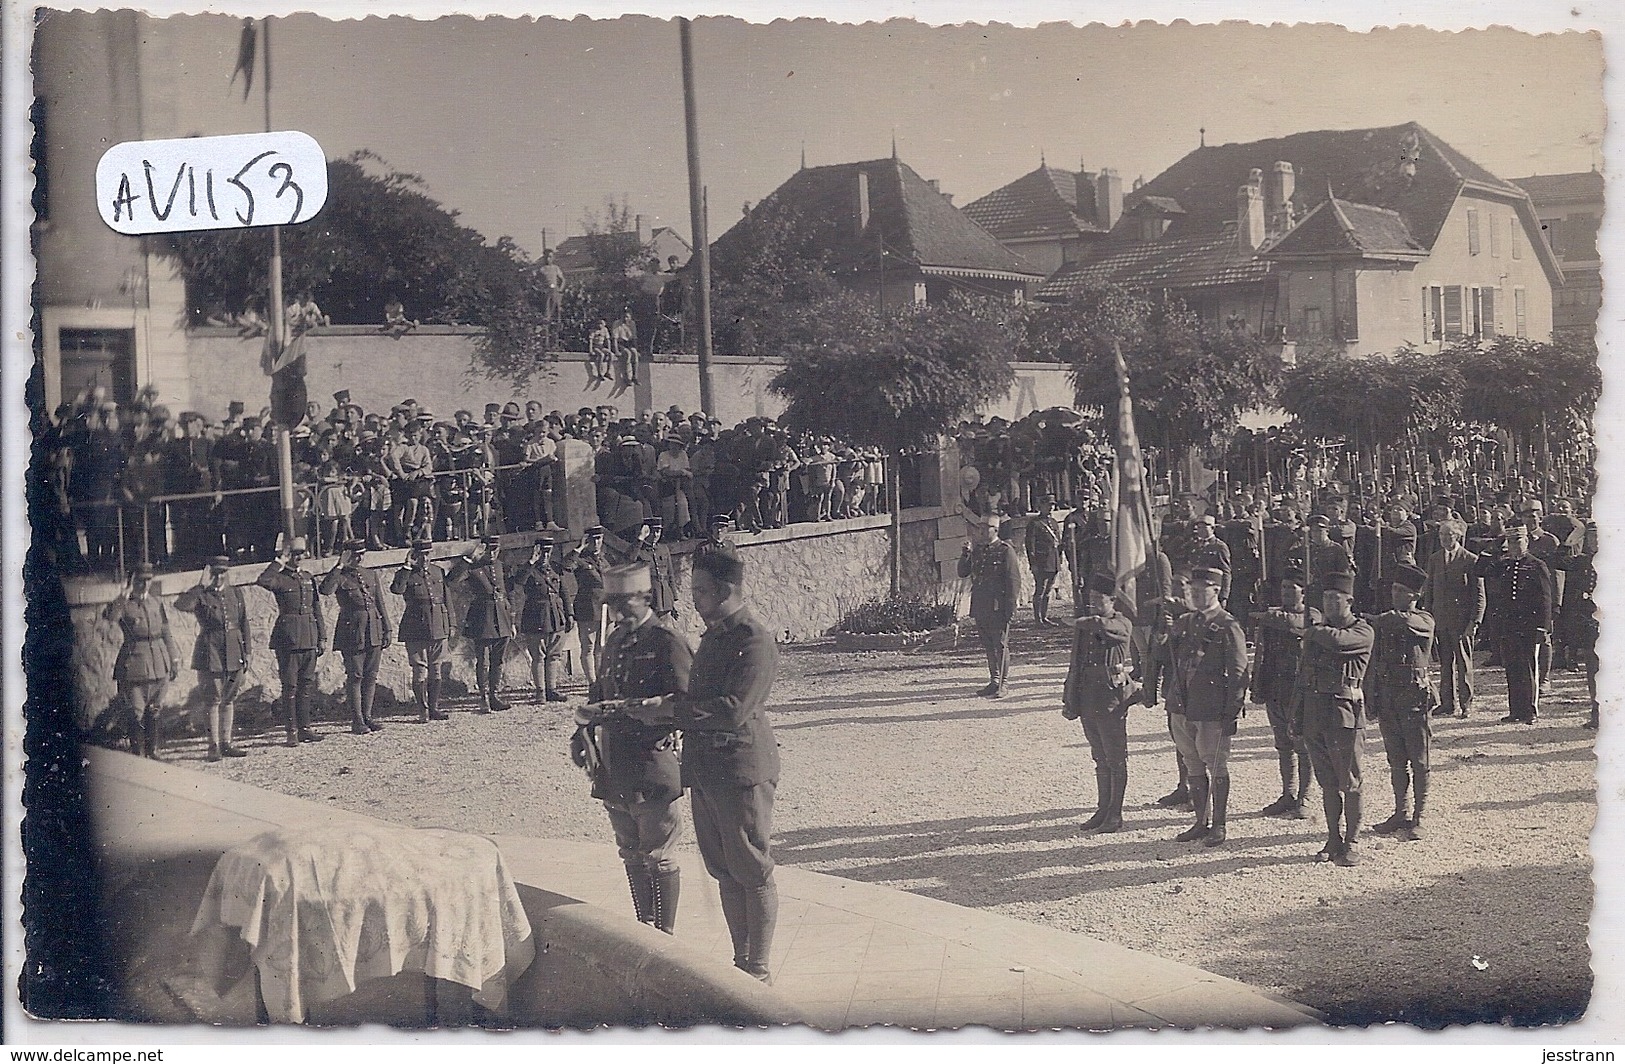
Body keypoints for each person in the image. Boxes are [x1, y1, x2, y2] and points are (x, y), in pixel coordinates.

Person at [614, 549, 780, 982]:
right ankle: (740, 963)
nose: (695, 599)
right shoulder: (713, 637)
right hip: (706, 768)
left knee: (751, 867)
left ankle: (758, 969)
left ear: (726, 590)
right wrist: (664, 706)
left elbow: (733, 709)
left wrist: (672, 710)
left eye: (701, 591)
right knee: (723, 868)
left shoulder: (753, 639)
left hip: (741, 769)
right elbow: (694, 698)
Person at [573, 563, 694, 933]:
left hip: (651, 761)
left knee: (658, 855)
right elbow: (598, 696)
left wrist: (655, 716)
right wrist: (580, 734)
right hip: (614, 765)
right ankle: (644, 926)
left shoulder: (666, 641)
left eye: (624, 601)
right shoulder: (613, 643)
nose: (616, 610)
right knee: (630, 853)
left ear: (645, 598)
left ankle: (665, 934)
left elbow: (689, 702)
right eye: (611, 601)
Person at [1295, 569, 1375, 866]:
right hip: (1315, 712)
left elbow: (1340, 643)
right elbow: (1303, 675)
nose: (1329, 603)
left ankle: (1352, 841)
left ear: (1350, 600)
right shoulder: (1318, 630)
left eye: (1335, 598)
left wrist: (1313, 631)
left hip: (1345, 714)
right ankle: (1333, 837)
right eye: (1326, 598)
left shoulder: (1362, 631)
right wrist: (1297, 715)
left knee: (1350, 781)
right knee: (1327, 782)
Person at [1165, 566, 1248, 846]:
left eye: (1202, 591)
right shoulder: (1185, 621)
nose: (1197, 596)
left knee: (1216, 764)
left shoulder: (1228, 625)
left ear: (1216, 591)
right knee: (1191, 762)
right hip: (1183, 703)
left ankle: (1219, 825)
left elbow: (1238, 672)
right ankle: (1200, 821)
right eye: (1192, 591)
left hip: (1211, 708)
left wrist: (1232, 710)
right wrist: (1165, 632)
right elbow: (1166, 655)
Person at [1367, 563, 1437, 842]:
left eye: (1401, 591)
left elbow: (1406, 623)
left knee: (1419, 760)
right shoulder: (1386, 620)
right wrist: (1371, 695)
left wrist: (1377, 619)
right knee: (1396, 760)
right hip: (1388, 695)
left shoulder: (1424, 619)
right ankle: (1401, 812)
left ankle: (1419, 816)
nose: (1394, 594)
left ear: (1415, 596)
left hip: (1413, 696)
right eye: (1394, 589)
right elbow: (1374, 659)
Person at [1063, 571, 1136, 834]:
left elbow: (1107, 628)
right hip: (1088, 697)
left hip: (1110, 699)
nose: (1094, 602)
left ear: (1113, 600)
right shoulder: (1086, 625)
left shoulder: (1121, 623)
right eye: (1091, 598)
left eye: (1099, 599)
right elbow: (1076, 662)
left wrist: (1084, 621)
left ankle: (1115, 815)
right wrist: (1070, 695)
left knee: (1116, 758)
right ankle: (1102, 809)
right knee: (1100, 757)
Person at [1250, 569, 1318, 818]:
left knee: (1302, 745)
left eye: (1293, 588)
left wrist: (1267, 613)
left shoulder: (1312, 616)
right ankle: (1288, 794)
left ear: (1304, 592)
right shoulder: (1273, 616)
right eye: (1284, 588)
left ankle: (1305, 797)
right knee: (1283, 745)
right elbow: (1261, 654)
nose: (1288, 592)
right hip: (1275, 688)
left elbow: (1294, 625)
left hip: (1299, 691)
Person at [1474, 524, 1552, 725]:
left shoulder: (1536, 565)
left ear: (1526, 541)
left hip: (1528, 625)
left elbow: (1545, 599)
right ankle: (1515, 710)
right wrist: (1493, 547)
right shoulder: (1504, 564)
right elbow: (1479, 570)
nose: (1515, 545)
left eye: (1518, 541)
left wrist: (1543, 628)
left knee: (1528, 668)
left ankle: (1530, 711)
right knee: (1512, 668)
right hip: (1507, 625)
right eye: (1511, 541)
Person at [175, 555, 251, 761]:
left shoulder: (235, 593)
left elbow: (244, 624)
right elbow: (181, 605)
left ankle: (227, 742)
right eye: (215, 573)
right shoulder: (202, 596)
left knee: (229, 698)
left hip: (234, 651)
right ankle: (213, 746)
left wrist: (248, 653)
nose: (219, 576)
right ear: (210, 574)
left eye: (223, 572)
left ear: (228, 573)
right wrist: (199, 586)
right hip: (210, 652)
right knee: (213, 700)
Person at [102, 562, 180, 759]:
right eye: (139, 581)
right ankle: (138, 753)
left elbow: (166, 632)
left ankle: (152, 751)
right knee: (136, 711)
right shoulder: (124, 605)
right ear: (132, 581)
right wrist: (123, 595)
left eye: (148, 580)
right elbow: (111, 617)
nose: (144, 585)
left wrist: (174, 657)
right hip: (134, 664)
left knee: (154, 709)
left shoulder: (156, 603)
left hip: (158, 662)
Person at [256, 537, 327, 746]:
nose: (298, 558)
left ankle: (305, 728)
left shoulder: (307, 578)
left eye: (301, 554)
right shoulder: (280, 578)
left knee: (306, 686)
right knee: (290, 687)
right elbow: (263, 580)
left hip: (309, 638)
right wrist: (279, 561)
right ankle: (292, 731)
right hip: (288, 640)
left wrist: (321, 637)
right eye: (294, 555)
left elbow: (316, 609)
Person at [320, 538, 394, 734]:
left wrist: (387, 628)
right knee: (355, 676)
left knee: (370, 676)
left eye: (361, 554)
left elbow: (380, 603)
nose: (359, 558)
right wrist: (338, 566)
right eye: (355, 555)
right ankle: (357, 720)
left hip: (374, 628)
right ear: (347, 555)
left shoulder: (370, 574)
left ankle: (368, 717)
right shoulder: (340, 576)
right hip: (351, 630)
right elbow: (325, 590)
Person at [1422, 517, 1484, 720]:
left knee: (1464, 664)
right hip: (1441, 621)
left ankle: (1466, 704)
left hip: (1462, 623)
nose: (1444, 539)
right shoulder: (1434, 559)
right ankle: (1447, 703)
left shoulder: (1470, 560)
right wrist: (1429, 618)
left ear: (1457, 536)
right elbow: (1429, 592)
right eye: (1441, 535)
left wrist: (1474, 622)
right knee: (1445, 664)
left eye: (1448, 535)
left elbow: (1479, 596)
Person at [449, 534, 517, 713]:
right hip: (482, 618)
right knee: (483, 660)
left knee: (498, 659)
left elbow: (508, 593)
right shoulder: (472, 567)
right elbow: (451, 581)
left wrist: (512, 621)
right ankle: (483, 698)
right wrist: (469, 559)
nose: (492, 553)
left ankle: (494, 695)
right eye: (489, 549)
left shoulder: (500, 566)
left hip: (502, 617)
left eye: (495, 549)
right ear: (483, 549)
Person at [958, 512, 1021, 698]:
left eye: (986, 529)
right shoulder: (977, 550)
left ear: (995, 530)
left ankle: (1003, 683)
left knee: (1000, 644)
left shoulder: (1005, 550)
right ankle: (993, 680)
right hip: (981, 603)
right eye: (980, 528)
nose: (981, 532)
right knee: (988, 644)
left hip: (998, 605)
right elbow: (963, 572)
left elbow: (1013, 581)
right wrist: (965, 555)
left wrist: (1011, 607)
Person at [392, 535, 453, 723]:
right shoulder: (406, 573)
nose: (425, 558)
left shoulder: (437, 572)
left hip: (438, 625)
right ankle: (422, 710)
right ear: (414, 555)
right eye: (421, 554)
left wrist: (451, 623)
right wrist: (406, 566)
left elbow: (446, 599)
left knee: (436, 669)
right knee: (419, 670)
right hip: (415, 627)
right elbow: (397, 589)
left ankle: (434, 708)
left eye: (427, 554)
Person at [512, 530, 574, 703]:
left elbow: (564, 591)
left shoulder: (554, 567)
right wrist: (531, 561)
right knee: (538, 656)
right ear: (536, 550)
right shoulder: (527, 569)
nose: (545, 555)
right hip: (536, 617)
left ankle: (551, 689)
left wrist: (569, 614)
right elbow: (519, 582)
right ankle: (540, 692)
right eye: (542, 551)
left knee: (554, 655)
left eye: (548, 551)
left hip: (556, 616)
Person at [565, 526, 610, 687]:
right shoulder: (580, 559)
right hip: (588, 608)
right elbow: (566, 566)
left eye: (599, 539)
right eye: (593, 539)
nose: (597, 543)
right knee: (588, 647)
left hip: (605, 609)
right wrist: (579, 548)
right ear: (587, 540)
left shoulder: (604, 559)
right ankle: (592, 683)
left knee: (602, 647)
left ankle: (601, 680)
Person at [1024, 495, 1063, 626]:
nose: (1051, 507)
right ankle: (1038, 619)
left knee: (1048, 590)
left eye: (1052, 505)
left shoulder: (1053, 522)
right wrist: (1033, 563)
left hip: (1053, 560)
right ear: (1041, 506)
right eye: (1048, 505)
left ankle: (1044, 616)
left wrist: (1060, 559)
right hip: (1041, 562)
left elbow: (1058, 542)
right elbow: (1030, 545)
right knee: (1040, 590)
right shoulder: (1034, 524)